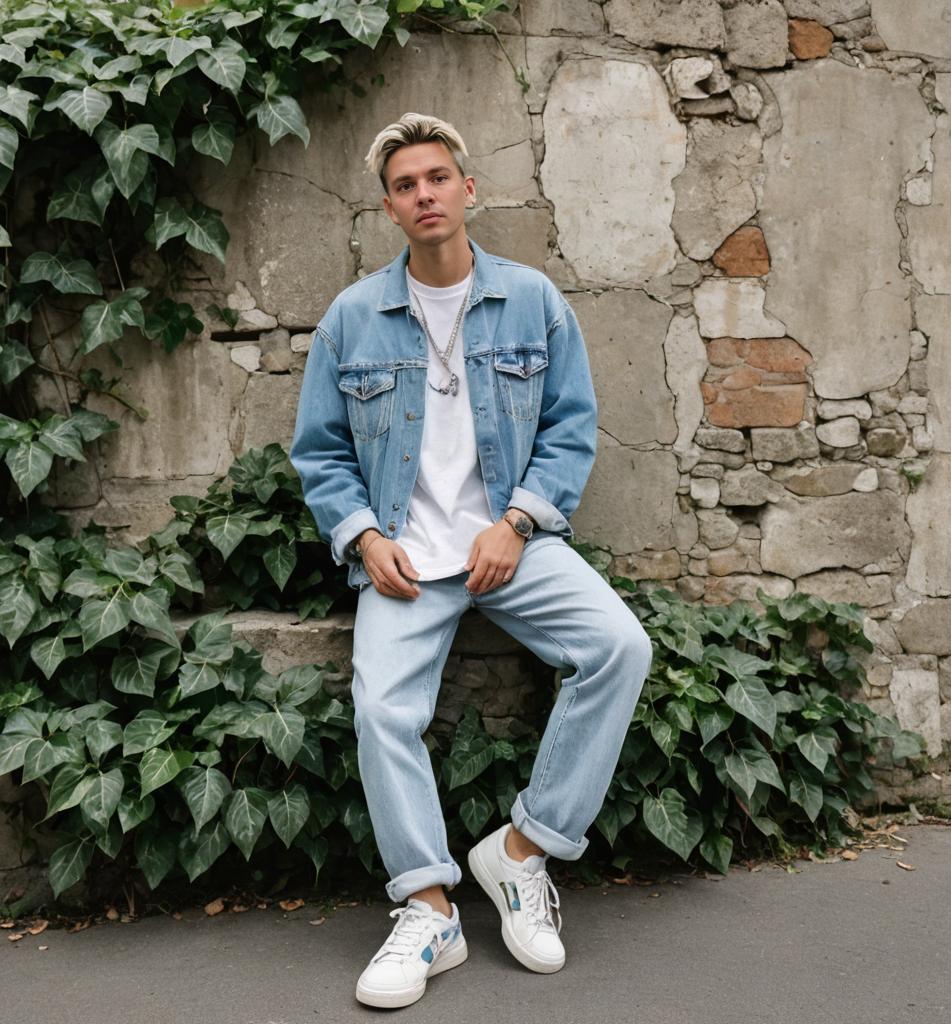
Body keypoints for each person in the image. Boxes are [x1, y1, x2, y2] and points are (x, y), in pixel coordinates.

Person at [289, 112, 652, 1009]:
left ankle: (521, 853)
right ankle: (429, 910)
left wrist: (518, 522)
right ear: (389, 207)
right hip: (406, 561)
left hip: (513, 547)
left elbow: (570, 429)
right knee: (381, 707)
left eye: (438, 178)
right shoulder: (352, 317)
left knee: (620, 648)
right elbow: (320, 453)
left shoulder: (532, 300)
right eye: (407, 185)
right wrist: (366, 538)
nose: (425, 195)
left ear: (468, 189)